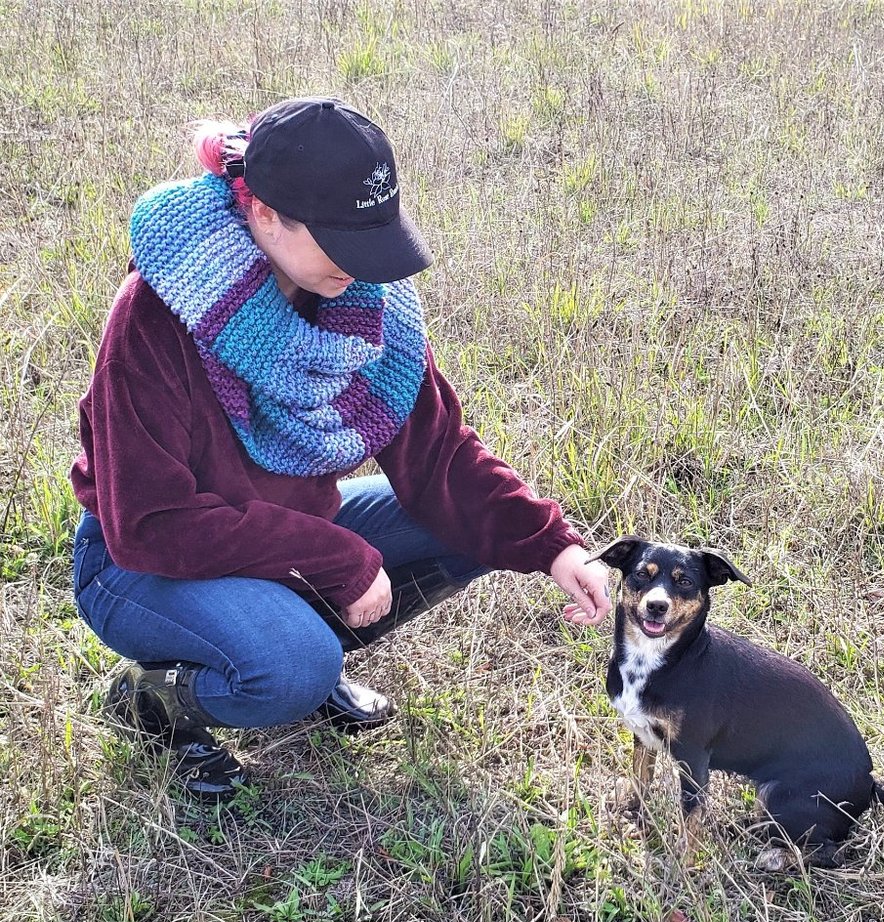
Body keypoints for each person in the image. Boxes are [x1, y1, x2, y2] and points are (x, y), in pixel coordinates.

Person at [70, 96, 610, 803]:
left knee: (464, 526)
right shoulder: (155, 315)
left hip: (273, 530)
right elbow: (151, 524)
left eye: (373, 241)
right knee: (290, 668)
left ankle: (296, 643)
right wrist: (339, 559)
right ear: (263, 212)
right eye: (341, 243)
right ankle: (155, 700)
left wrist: (554, 547)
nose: (364, 269)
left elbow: (440, 456)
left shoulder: (370, 310)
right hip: (135, 561)